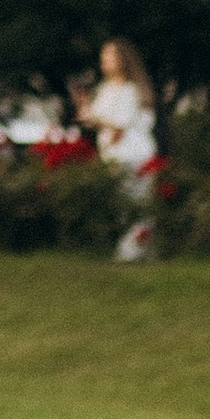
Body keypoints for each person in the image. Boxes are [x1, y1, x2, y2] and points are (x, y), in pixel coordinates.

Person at [81, 38, 160, 259]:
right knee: (120, 204)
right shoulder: (106, 89)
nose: (103, 61)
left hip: (134, 154)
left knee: (138, 202)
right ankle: (128, 250)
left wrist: (95, 118)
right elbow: (99, 119)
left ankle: (134, 251)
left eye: (109, 56)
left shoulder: (132, 89)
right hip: (112, 154)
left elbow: (121, 122)